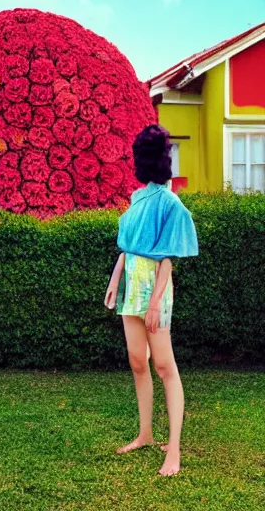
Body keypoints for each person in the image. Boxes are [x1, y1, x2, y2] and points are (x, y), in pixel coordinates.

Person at [104, 125, 198, 476]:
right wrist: (115, 281)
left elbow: (167, 258)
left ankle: (173, 449)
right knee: (137, 361)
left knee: (163, 365)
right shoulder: (137, 197)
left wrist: (156, 301)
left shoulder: (170, 202)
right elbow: (127, 248)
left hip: (155, 288)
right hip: (131, 284)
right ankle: (145, 434)